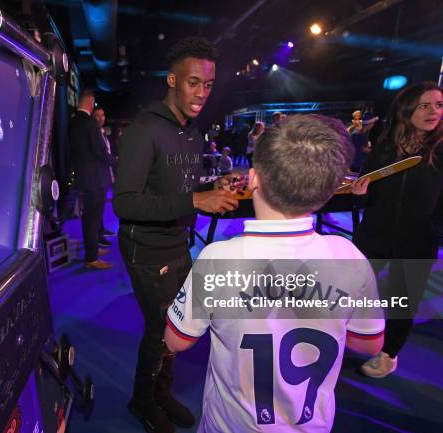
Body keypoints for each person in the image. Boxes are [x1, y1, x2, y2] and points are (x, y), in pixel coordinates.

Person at [165, 114, 385, 433]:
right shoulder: (349, 257)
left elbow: (176, 340)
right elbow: (370, 345)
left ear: (253, 179)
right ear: (328, 191)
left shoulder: (217, 258)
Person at [113, 36, 241, 433]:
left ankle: (161, 393)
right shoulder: (143, 130)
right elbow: (126, 204)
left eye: (208, 84)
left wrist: (215, 181)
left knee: (174, 328)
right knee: (161, 331)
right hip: (147, 248)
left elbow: (177, 184)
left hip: (177, 242)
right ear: (172, 80)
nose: (202, 93)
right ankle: (142, 401)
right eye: (192, 83)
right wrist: (195, 201)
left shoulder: (192, 132)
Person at [352, 81, 443, 378]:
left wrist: (434, 229)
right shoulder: (386, 143)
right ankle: (340, 336)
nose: (434, 112)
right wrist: (361, 191)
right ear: (407, 110)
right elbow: (370, 182)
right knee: (351, 288)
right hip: (375, 232)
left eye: (439, 105)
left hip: (417, 239)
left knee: (402, 299)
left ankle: (388, 354)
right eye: (424, 105)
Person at [68, 90, 117, 270]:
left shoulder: (72, 122)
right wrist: (115, 162)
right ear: (90, 103)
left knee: (89, 217)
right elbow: (100, 151)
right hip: (96, 179)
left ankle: (93, 250)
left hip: (83, 178)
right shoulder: (90, 123)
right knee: (93, 218)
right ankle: (91, 257)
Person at [93, 106, 116, 242]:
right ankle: (98, 235)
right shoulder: (95, 134)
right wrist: (114, 161)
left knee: (101, 207)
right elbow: (102, 156)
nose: (101, 118)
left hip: (105, 174)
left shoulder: (102, 133)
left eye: (103, 115)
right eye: (98, 116)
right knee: (96, 209)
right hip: (97, 177)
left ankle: (101, 230)